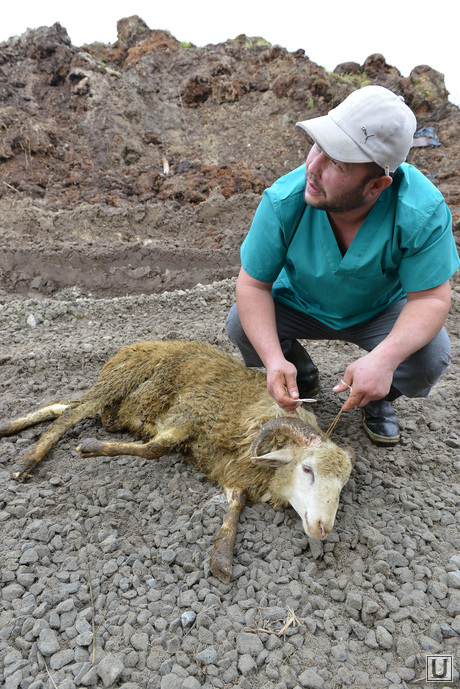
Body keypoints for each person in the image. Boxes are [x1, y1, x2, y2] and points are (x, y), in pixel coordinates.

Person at [226, 85, 460, 446]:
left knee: (431, 356)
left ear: (377, 185)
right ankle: (300, 374)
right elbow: (253, 285)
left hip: (379, 311)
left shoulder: (421, 212)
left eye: (337, 162)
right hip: (300, 304)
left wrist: (383, 360)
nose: (312, 168)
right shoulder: (283, 200)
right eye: (318, 146)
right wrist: (273, 360)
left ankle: (378, 397)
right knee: (242, 323)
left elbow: (430, 299)